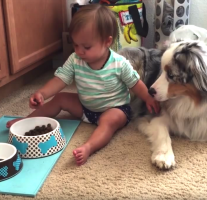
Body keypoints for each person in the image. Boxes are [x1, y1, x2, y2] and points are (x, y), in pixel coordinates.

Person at [6, 4, 159, 166]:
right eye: (75, 45)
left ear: (107, 42)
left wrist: (149, 98)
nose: (79, 51)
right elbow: (60, 80)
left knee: (111, 119)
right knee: (60, 98)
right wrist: (42, 94)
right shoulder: (75, 59)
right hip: (86, 108)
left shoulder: (119, 63)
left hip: (115, 108)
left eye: (86, 47)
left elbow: (135, 83)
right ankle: (26, 121)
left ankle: (89, 147)